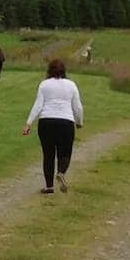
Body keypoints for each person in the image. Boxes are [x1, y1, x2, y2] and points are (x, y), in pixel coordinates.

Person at [23, 59, 84, 194]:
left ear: (49, 70)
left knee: (48, 154)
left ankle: (49, 186)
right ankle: (61, 172)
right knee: (65, 152)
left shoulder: (44, 84)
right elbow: (78, 106)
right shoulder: (71, 85)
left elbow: (38, 105)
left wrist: (28, 123)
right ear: (64, 71)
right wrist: (79, 121)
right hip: (66, 122)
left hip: (46, 122)